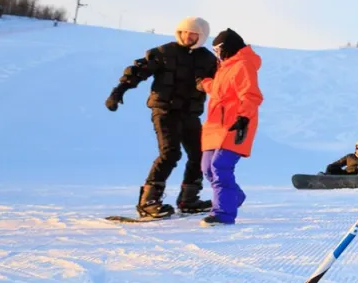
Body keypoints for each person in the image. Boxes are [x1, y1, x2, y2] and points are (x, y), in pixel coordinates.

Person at [107, 17, 219, 218]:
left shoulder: (208, 60)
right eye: (184, 32)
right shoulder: (164, 52)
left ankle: (188, 200)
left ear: (201, 37)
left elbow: (222, 84)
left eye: (193, 33)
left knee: (199, 154)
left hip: (190, 113)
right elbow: (138, 71)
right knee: (170, 153)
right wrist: (119, 91)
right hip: (164, 110)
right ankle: (148, 201)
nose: (187, 36)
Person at [198, 29, 263, 225]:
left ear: (227, 47)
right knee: (207, 169)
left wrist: (244, 118)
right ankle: (233, 197)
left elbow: (251, 95)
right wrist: (204, 83)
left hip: (235, 124)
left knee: (220, 166)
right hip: (215, 125)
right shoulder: (225, 67)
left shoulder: (243, 65)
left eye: (218, 49)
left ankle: (223, 214)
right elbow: (220, 91)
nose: (216, 53)